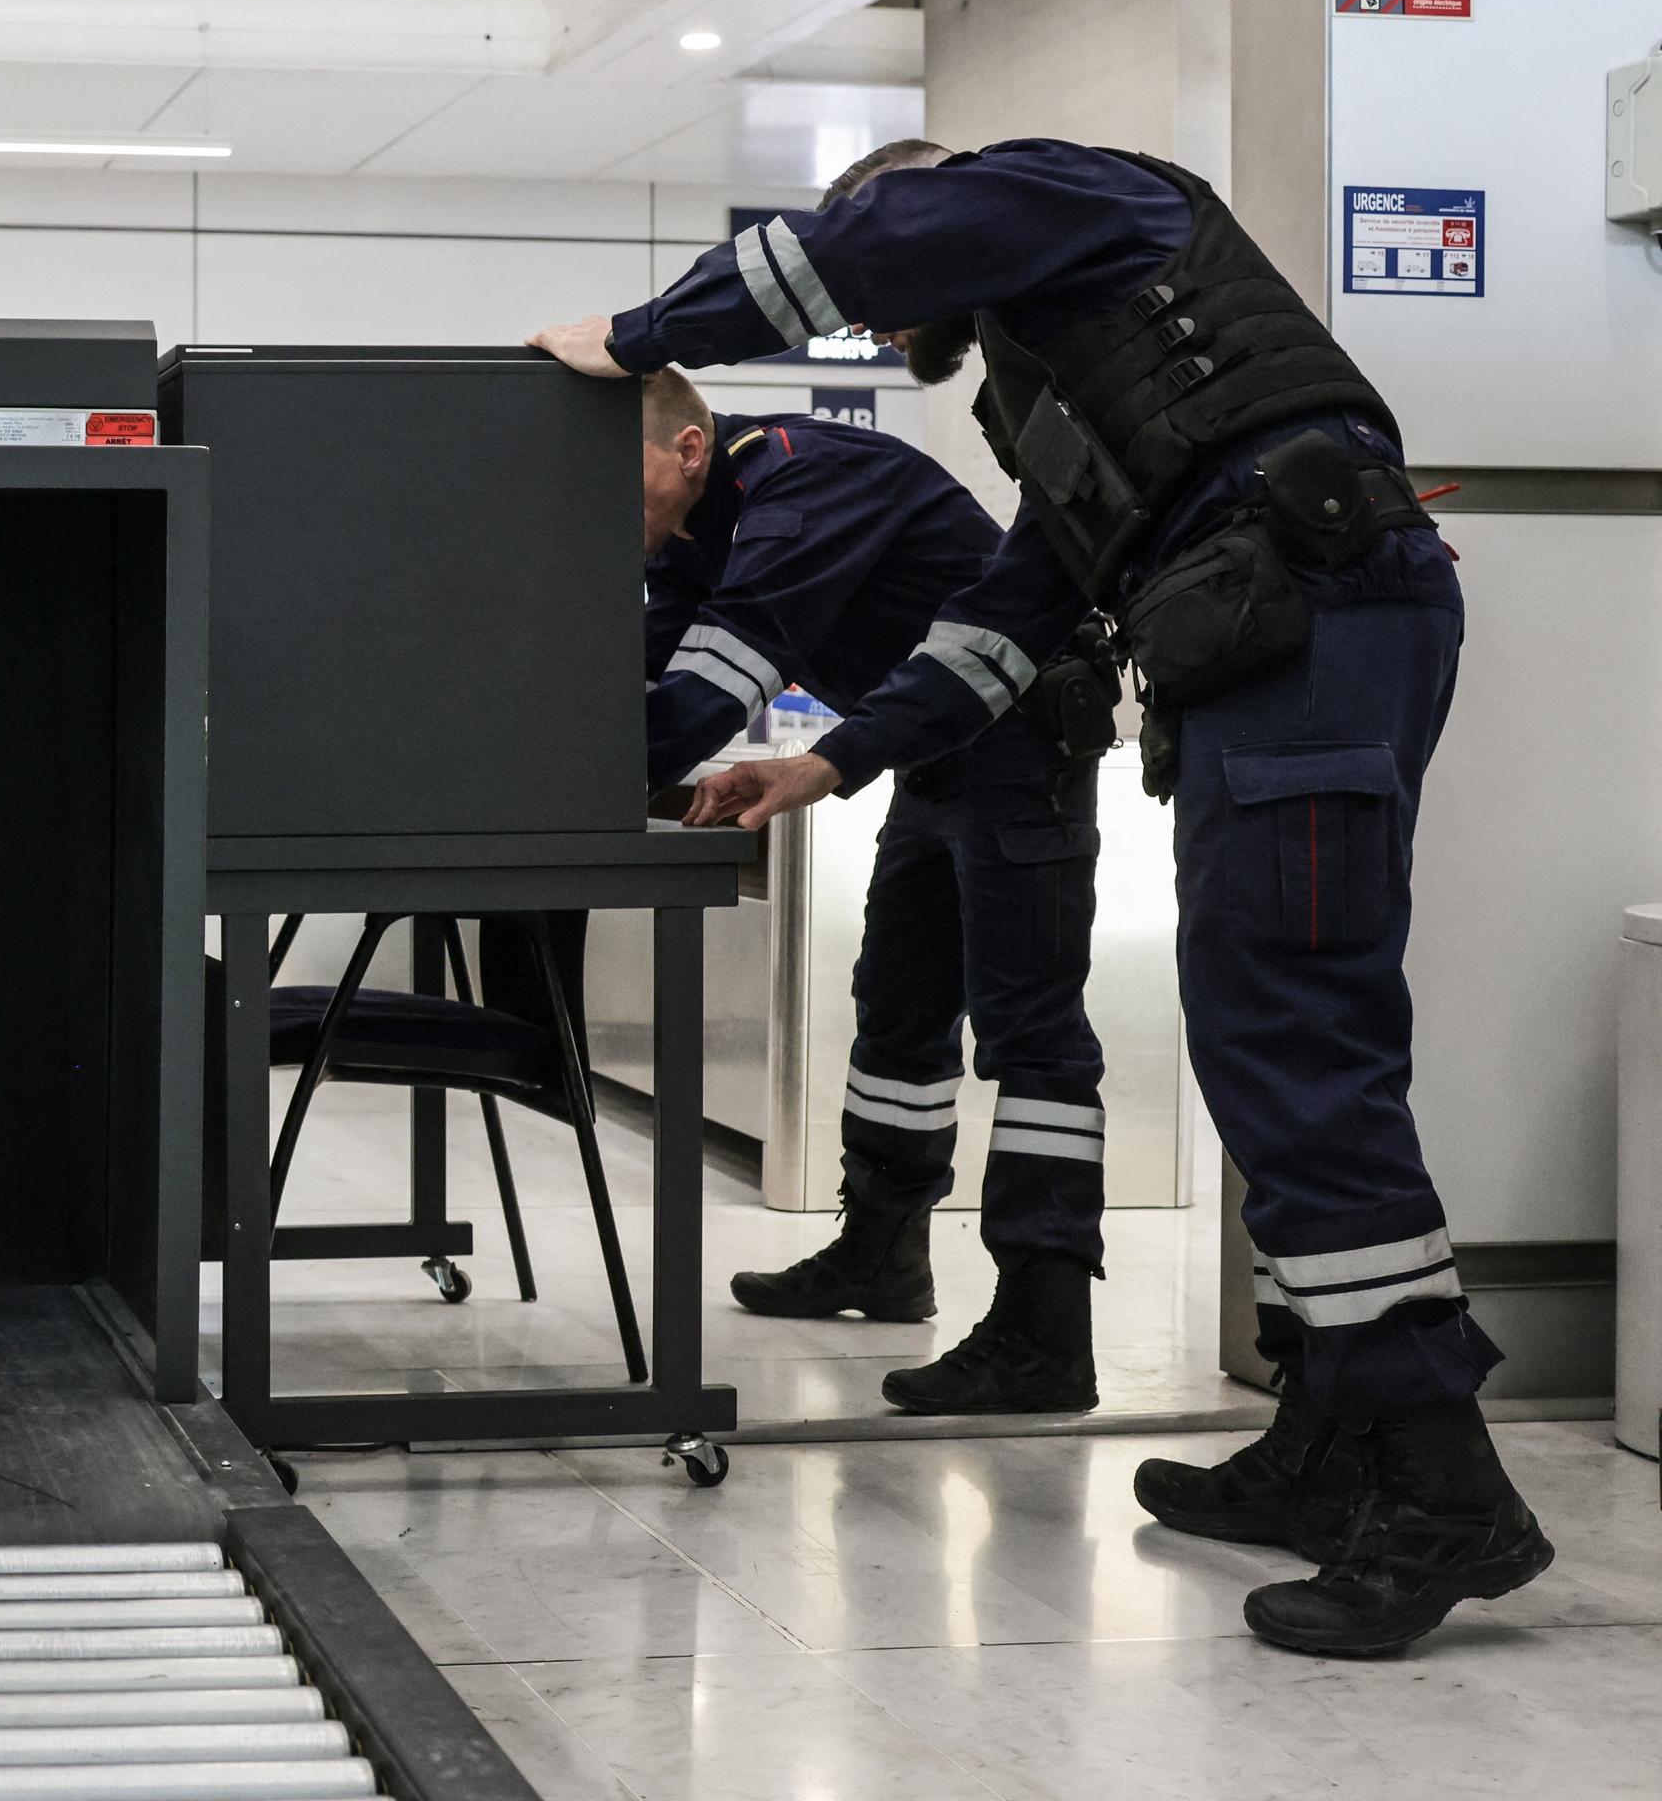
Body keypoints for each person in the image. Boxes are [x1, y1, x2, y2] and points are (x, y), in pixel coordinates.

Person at [531, 136, 1547, 1658]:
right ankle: (1332, 1437)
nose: (878, 338)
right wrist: (834, 764)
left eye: (886, 292)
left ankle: (1443, 1481)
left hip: (1309, 615)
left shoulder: (1071, 194)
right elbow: (1014, 612)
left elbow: (863, 251)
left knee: (1294, 1047)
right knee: (1264, 1056)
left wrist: (634, 337)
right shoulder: (1058, 384)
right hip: (1263, 634)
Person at [629, 365, 1116, 1415]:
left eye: (625, 493)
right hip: (934, 751)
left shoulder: (805, 485)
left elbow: (704, 697)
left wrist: (547, 782)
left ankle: (1046, 1326)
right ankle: (881, 1257)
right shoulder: (701, 528)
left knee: (1031, 1036)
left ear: (690, 450)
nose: (618, 523)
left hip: (1021, 744)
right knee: (898, 1013)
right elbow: (646, 666)